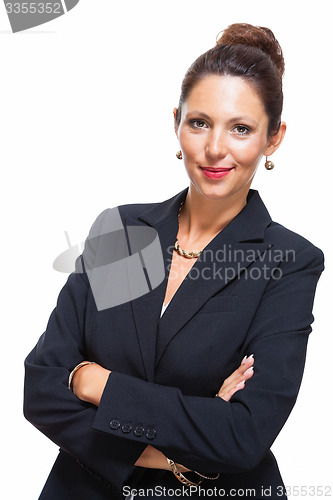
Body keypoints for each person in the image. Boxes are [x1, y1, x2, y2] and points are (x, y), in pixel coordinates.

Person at [24, 23, 324, 500]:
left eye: (241, 128)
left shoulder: (288, 262)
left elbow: (242, 435)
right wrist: (167, 453)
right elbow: (41, 386)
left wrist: (93, 381)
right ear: (177, 122)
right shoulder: (123, 231)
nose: (214, 149)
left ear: (273, 138)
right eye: (199, 122)